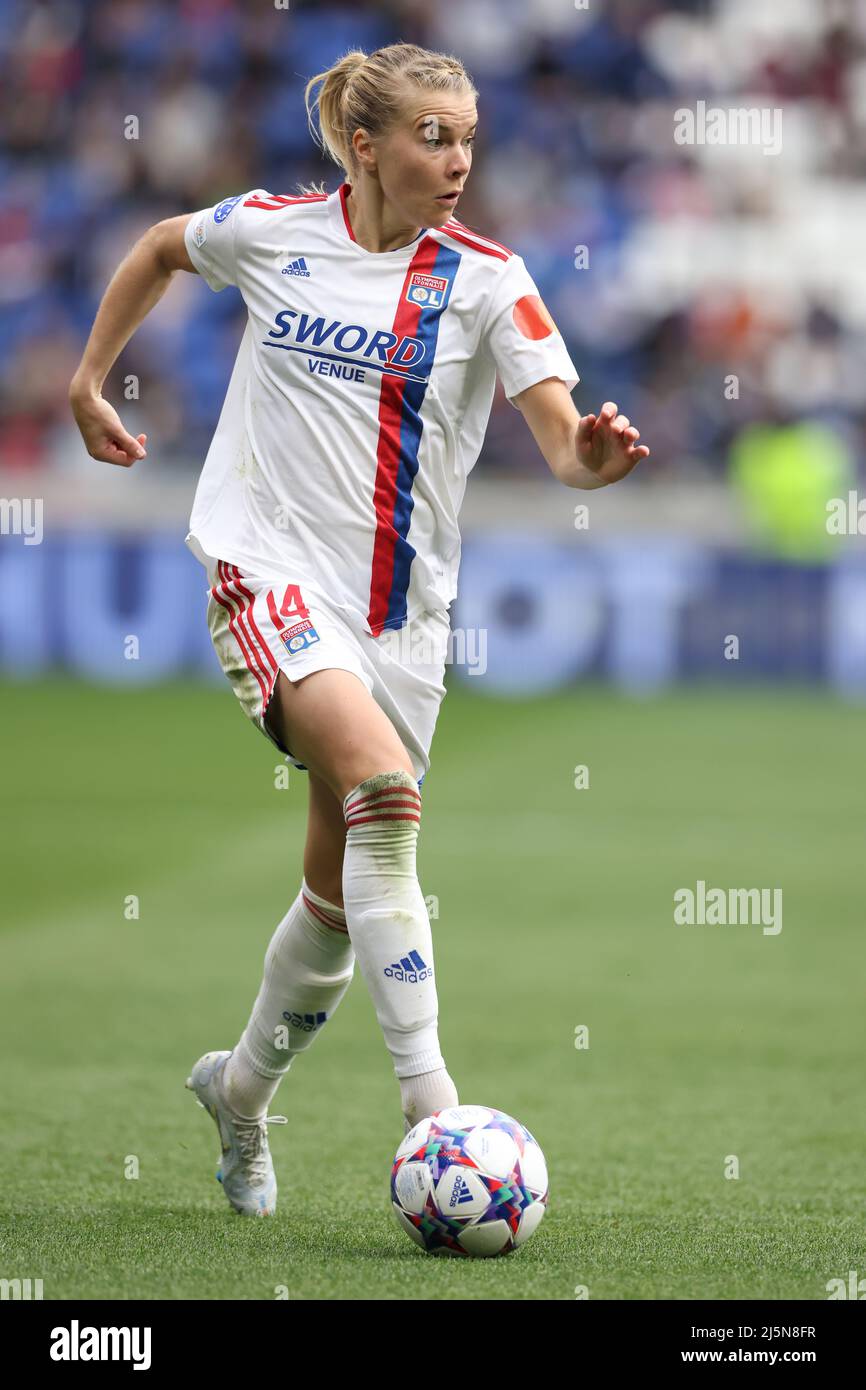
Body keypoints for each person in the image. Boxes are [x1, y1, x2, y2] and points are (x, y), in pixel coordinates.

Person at [68, 42, 649, 1218]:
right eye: (433, 138)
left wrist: (589, 461)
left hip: (401, 619)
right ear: (368, 144)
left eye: (468, 140)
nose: (456, 162)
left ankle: (237, 1092)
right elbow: (158, 245)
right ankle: (435, 1114)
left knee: (338, 900)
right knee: (386, 795)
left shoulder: (487, 279)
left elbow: (558, 442)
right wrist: (90, 377)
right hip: (263, 564)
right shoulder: (276, 228)